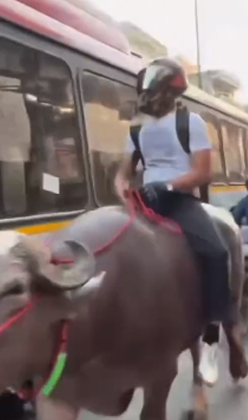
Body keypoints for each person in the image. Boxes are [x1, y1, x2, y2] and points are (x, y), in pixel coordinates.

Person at [114, 57, 229, 386]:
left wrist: (167, 185)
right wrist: (122, 189)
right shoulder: (136, 128)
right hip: (144, 202)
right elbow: (123, 173)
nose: (147, 99)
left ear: (169, 93)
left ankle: (210, 340)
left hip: (178, 200)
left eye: (153, 93)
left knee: (216, 253)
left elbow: (203, 172)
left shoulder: (190, 122)